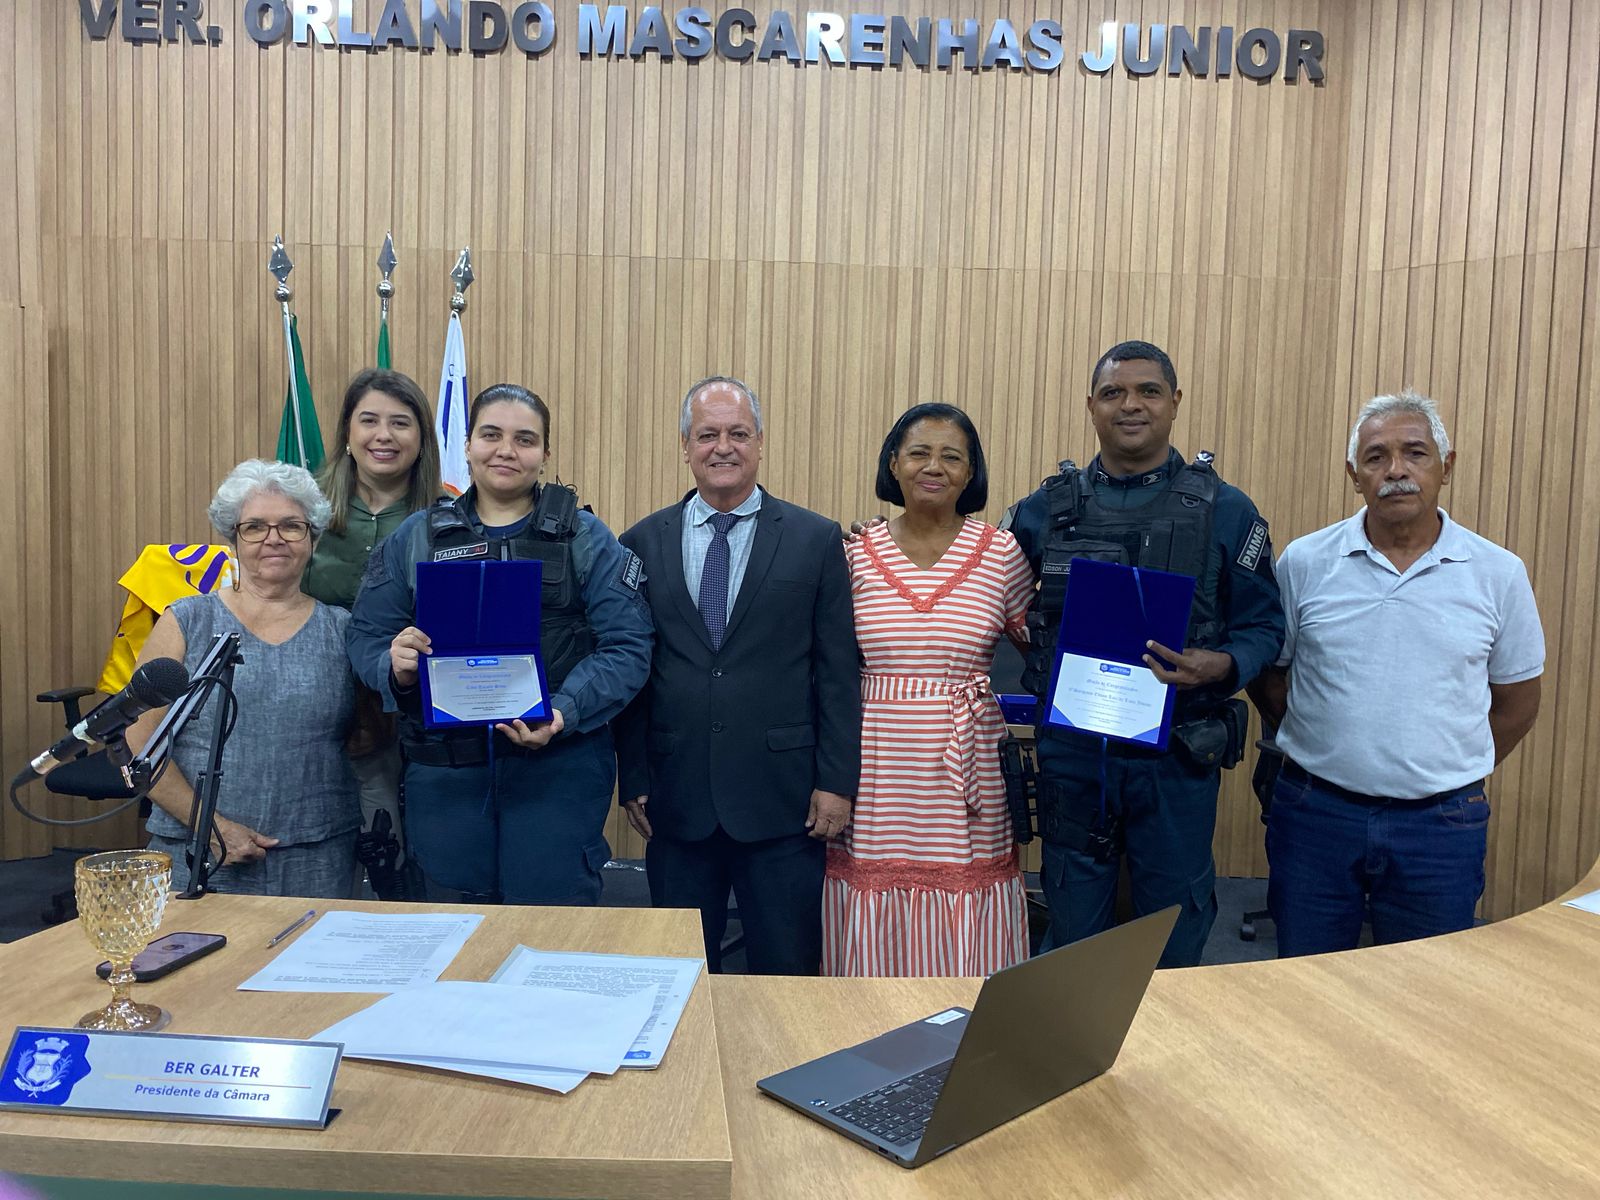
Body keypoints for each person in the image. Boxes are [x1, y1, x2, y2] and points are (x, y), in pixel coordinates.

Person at [1008, 340, 1285, 968]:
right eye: (1113, 393)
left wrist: (1223, 664)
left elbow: (1265, 625)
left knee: (1173, 927)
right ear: (1091, 406)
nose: (1130, 405)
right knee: (1072, 926)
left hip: (1178, 754)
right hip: (1076, 754)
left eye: (1148, 391)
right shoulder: (1042, 511)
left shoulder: (1227, 510)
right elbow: (985, 584)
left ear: (1175, 403)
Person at [1248, 389, 1543, 956]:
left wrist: (1444, 765)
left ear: (1446, 468)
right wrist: (1329, 736)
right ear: (1353, 474)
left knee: (1423, 1000)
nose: (1397, 470)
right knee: (1304, 987)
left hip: (1439, 828)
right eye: (1377, 456)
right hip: (1315, 817)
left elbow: (1517, 702)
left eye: (1416, 453)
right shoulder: (1305, 562)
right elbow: (1270, 676)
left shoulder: (1498, 573)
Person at [346, 384, 652, 906]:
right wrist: (391, 665)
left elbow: (628, 646)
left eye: (524, 439)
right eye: (491, 435)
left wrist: (562, 711)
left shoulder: (586, 537)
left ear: (545, 454)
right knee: (449, 939)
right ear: (467, 445)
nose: (506, 450)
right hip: (445, 778)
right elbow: (366, 636)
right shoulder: (416, 537)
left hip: (558, 771)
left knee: (552, 932)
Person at [613, 376, 861, 974]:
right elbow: (633, 669)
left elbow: (836, 673)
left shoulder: (815, 539)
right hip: (677, 800)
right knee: (679, 978)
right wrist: (635, 773)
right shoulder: (640, 542)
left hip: (784, 803)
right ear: (685, 444)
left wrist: (837, 782)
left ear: (759, 442)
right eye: (707, 435)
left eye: (737, 433)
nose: (723, 447)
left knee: (786, 974)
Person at [822, 404, 1035, 976]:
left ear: (971, 473)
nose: (933, 466)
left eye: (951, 456)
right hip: (875, 761)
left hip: (968, 764)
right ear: (894, 464)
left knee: (967, 892)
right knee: (873, 885)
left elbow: (1037, 645)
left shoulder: (1001, 553)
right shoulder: (850, 553)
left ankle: (967, 1039)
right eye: (918, 452)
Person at [126, 460, 360, 897]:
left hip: (318, 856)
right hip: (199, 851)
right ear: (233, 537)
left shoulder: (343, 629)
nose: (273, 538)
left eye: (292, 525)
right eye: (254, 527)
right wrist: (210, 826)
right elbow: (141, 743)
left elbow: (368, 738)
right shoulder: (186, 620)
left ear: (313, 537)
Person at [304, 368, 442, 891]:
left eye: (400, 423)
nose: (384, 436)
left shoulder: (450, 513)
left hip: (407, 697)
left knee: (394, 843)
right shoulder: (306, 507)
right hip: (316, 691)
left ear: (422, 438)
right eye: (369, 421)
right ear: (346, 430)